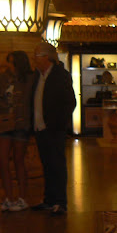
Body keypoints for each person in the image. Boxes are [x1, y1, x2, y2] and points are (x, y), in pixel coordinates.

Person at [31, 42, 76, 216]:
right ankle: (49, 199)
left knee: (57, 164)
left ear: (46, 57)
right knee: (47, 164)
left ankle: (60, 202)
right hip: (40, 127)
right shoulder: (37, 75)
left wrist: (59, 123)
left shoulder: (60, 75)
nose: (34, 59)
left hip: (54, 128)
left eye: (37, 56)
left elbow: (70, 102)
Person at [0, 51, 34, 212]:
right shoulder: (1, 78)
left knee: (19, 160)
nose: (9, 65)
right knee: (3, 160)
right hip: (5, 123)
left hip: (21, 124)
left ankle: (22, 198)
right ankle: (9, 197)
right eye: (8, 62)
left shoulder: (29, 79)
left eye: (12, 62)